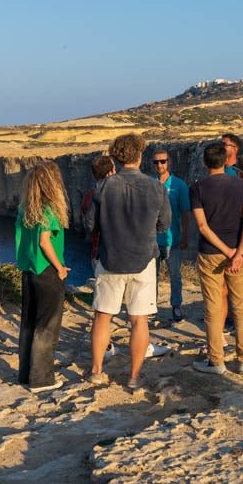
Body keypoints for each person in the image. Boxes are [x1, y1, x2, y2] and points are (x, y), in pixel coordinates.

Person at [83, 133, 170, 389]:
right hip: (143, 260)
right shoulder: (156, 187)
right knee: (139, 320)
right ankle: (133, 376)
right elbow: (164, 225)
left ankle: (97, 371)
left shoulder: (104, 187)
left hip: (110, 258)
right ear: (140, 156)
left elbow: (90, 224)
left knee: (102, 316)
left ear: (116, 157)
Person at [191, 142, 243, 375]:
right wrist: (238, 252)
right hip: (239, 251)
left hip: (210, 253)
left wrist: (228, 252)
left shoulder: (198, 187)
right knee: (240, 307)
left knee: (213, 308)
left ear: (205, 162)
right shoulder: (242, 186)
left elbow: (202, 226)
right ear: (226, 159)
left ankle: (216, 361)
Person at [15, 160, 70, 393]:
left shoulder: (25, 207)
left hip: (29, 271)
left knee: (29, 322)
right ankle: (42, 379)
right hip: (47, 272)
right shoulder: (48, 209)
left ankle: (25, 374)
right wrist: (60, 268)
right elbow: (45, 242)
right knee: (47, 325)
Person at [153, 149, 191, 321]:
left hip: (172, 238)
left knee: (175, 274)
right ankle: (151, 307)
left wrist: (185, 235)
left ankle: (176, 305)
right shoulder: (150, 184)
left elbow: (185, 213)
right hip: (151, 240)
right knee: (151, 276)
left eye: (162, 161)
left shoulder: (179, 185)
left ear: (169, 162)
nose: (159, 165)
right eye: (156, 162)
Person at [81, 155, 116, 272]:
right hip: (115, 252)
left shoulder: (88, 196)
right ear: (109, 173)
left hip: (97, 252)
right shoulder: (118, 193)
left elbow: (89, 225)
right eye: (114, 169)